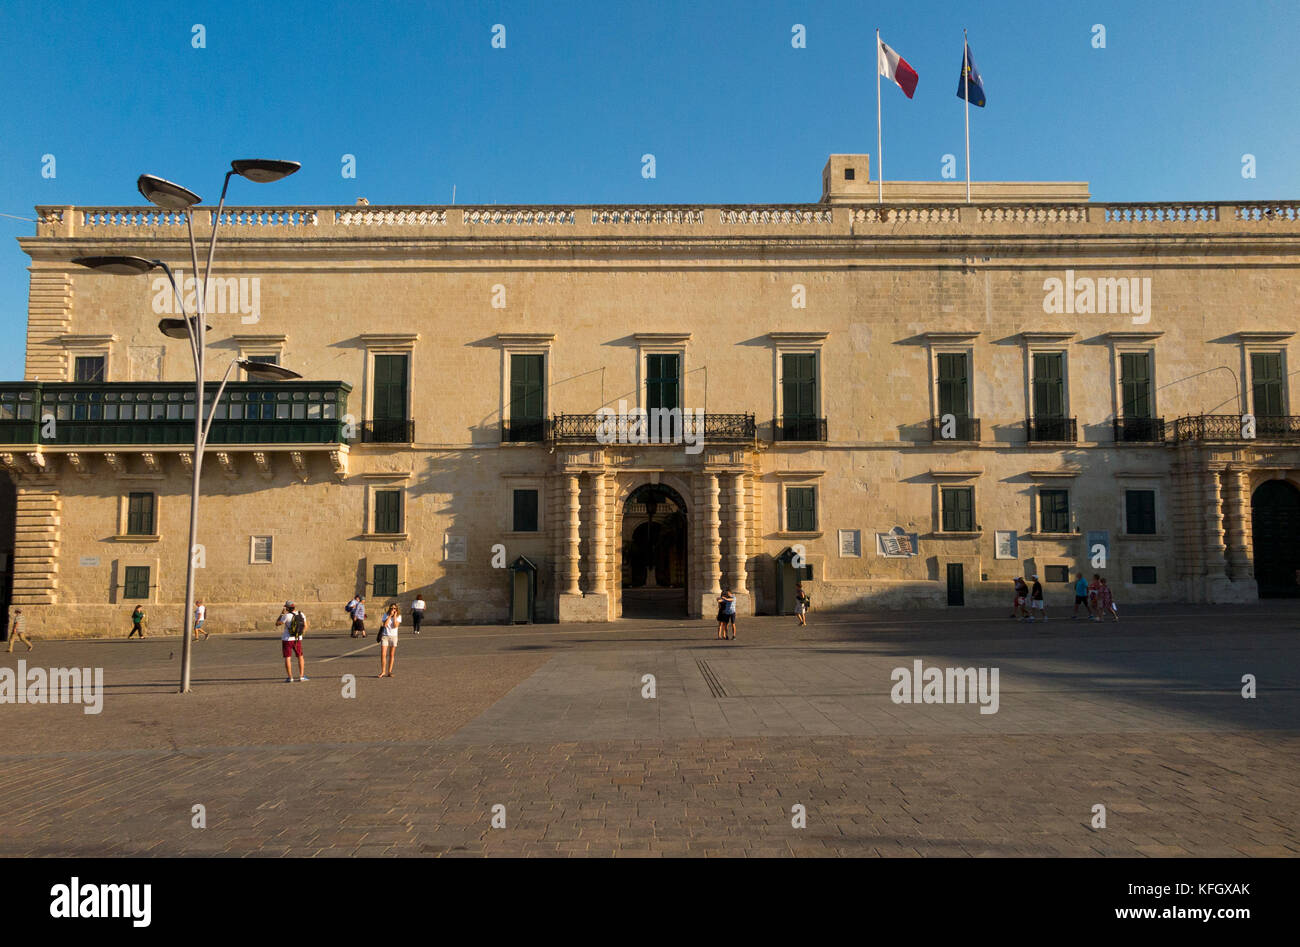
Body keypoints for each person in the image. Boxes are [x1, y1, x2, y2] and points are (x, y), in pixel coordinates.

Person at [277, 600, 309, 682]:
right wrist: (300, 634)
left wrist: (281, 613)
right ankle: (301, 676)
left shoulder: (286, 616)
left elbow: (277, 623)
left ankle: (290, 677)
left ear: (287, 608)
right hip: (297, 639)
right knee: (300, 656)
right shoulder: (301, 614)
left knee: (288, 657)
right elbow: (305, 626)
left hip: (287, 639)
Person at [378, 603, 401, 677]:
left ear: (396, 609)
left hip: (393, 637)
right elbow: (385, 625)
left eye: (394, 608)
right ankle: (383, 671)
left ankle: (390, 671)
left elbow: (395, 625)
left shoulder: (399, 616)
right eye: (391, 608)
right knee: (383, 654)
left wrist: (394, 617)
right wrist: (390, 616)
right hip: (385, 636)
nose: (393, 610)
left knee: (391, 655)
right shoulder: (386, 615)